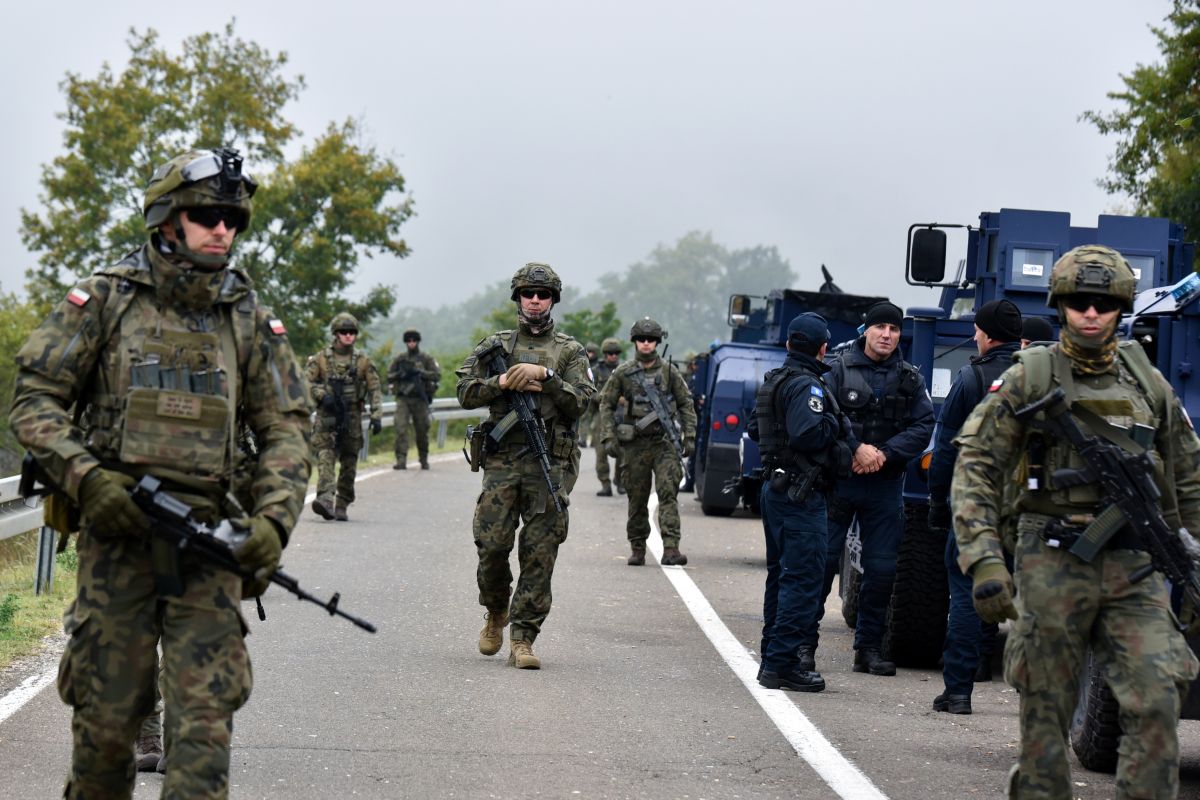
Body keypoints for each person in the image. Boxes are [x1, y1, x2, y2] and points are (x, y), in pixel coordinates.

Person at [11, 147, 312, 798]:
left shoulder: (248, 319)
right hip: (116, 551)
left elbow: (287, 428)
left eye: (233, 219)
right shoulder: (107, 300)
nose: (222, 230)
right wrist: (89, 479)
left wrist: (273, 523)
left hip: (208, 556)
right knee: (105, 747)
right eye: (207, 214)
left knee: (201, 755)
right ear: (168, 218)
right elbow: (34, 401)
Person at [952, 245, 1200, 798]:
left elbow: (1186, 477)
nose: (1092, 314)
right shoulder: (1030, 377)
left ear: (1121, 308)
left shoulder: (1148, 382)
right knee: (1045, 717)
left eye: (1104, 304)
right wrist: (986, 560)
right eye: (1080, 303)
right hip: (1052, 560)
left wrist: (1192, 562)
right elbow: (975, 468)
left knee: (1159, 698)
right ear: (1060, 305)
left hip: (1134, 567)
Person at [456, 263, 595, 669]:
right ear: (517, 298)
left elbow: (583, 401)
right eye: (529, 293)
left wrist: (547, 376)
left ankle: (523, 637)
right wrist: (499, 384)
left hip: (549, 465)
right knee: (492, 546)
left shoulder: (570, 351)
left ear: (553, 300)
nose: (536, 300)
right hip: (502, 462)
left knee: (540, 552)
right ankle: (496, 610)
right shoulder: (494, 345)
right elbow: (463, 389)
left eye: (543, 294)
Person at [809, 300, 935, 675]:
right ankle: (804, 647)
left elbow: (923, 427)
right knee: (822, 565)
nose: (887, 335)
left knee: (881, 571)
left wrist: (882, 453)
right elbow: (823, 418)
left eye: (894, 329)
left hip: (883, 486)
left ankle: (868, 649)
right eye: (880, 327)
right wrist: (855, 451)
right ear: (866, 330)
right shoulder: (835, 369)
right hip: (841, 481)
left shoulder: (911, 378)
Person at [926, 299, 1023, 714]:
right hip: (1030, 509)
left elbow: (946, 448)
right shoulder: (1037, 379)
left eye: (978, 331)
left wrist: (938, 499)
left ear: (985, 334)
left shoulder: (970, 377)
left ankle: (959, 691)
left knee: (966, 593)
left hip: (978, 508)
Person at [748, 313, 851, 692]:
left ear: (790, 344)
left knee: (782, 575)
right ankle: (781, 664)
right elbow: (808, 434)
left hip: (777, 490)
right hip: (800, 494)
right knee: (803, 580)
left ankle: (772, 657)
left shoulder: (775, 379)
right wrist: (836, 426)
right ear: (823, 347)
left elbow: (755, 427)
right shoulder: (808, 386)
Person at [599, 317, 698, 566]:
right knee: (637, 498)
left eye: (651, 339)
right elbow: (606, 404)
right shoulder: (623, 373)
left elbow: (686, 404)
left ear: (657, 342)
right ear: (634, 342)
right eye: (641, 339)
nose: (646, 343)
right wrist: (608, 436)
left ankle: (671, 548)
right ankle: (638, 547)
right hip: (635, 445)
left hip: (664, 443)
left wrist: (689, 436)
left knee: (668, 494)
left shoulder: (669, 372)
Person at [306, 313, 383, 521]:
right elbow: (305, 383)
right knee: (325, 456)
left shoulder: (363, 361)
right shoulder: (320, 359)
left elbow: (375, 388)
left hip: (352, 417)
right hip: (327, 416)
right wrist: (322, 395)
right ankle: (325, 499)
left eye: (352, 332)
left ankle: (342, 503)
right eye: (343, 332)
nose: (348, 336)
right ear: (335, 334)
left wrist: (377, 415)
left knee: (349, 461)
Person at [387, 329, 440, 470]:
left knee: (422, 430)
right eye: (408, 341)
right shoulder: (400, 359)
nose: (411, 343)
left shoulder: (426, 358)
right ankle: (401, 460)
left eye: (413, 340)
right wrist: (401, 374)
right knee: (400, 428)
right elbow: (389, 375)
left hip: (420, 399)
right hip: (403, 399)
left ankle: (423, 459)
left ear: (417, 341)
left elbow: (436, 375)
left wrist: (421, 373)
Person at [592, 337, 624, 496]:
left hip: (622, 416)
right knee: (601, 452)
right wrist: (608, 398)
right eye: (610, 353)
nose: (613, 356)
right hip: (603, 416)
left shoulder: (625, 370)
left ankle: (620, 480)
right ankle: (605, 483)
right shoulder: (596, 370)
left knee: (623, 451)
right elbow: (590, 394)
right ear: (605, 354)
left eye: (616, 353)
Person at [578, 342, 600, 446]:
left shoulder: (600, 366)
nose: (590, 354)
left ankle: (594, 441)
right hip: (587, 394)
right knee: (584, 418)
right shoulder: (583, 363)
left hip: (599, 396)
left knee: (598, 420)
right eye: (588, 351)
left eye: (592, 352)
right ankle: (583, 439)